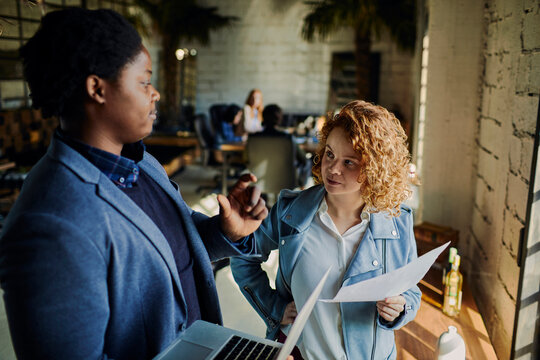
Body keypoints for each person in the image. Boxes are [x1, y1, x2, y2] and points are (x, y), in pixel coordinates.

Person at [0, 8, 268, 360]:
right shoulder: (50, 222)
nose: (155, 93)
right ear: (97, 88)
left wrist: (225, 231)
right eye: (144, 81)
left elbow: (166, 252)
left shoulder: (141, 163)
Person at [231, 100, 422, 360]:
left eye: (349, 162)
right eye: (330, 154)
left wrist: (400, 308)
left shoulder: (397, 222)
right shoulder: (291, 212)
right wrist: (273, 307)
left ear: (374, 169)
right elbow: (243, 254)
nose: (333, 169)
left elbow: (410, 291)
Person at [252, 104, 312, 188]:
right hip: (285, 182)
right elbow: (305, 161)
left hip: (258, 181)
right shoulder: (288, 138)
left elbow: (247, 159)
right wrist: (302, 183)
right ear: (278, 118)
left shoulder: (253, 137)